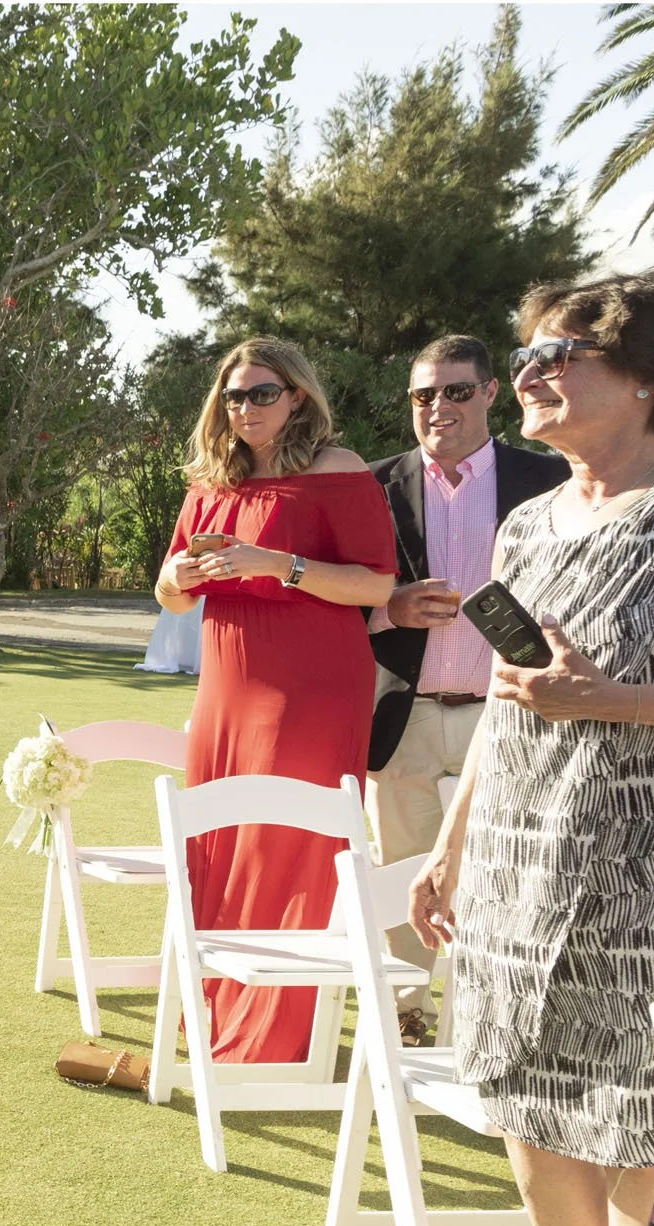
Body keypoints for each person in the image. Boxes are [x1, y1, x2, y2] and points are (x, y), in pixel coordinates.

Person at [409, 268, 654, 1226]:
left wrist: (611, 702)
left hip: (640, 868)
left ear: (646, 379)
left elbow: (582, 695)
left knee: (633, 1107)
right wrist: (450, 845)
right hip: (515, 848)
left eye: (564, 354)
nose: (532, 374)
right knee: (520, 1088)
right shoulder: (524, 520)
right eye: (527, 356)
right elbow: (514, 701)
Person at [155, 338, 395, 1063]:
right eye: (234, 395)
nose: (246, 407)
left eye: (263, 393)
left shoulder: (337, 472)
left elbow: (377, 585)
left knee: (287, 843)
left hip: (313, 687)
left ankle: (277, 1037)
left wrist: (277, 565)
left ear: (297, 396)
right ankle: (212, 1015)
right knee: (218, 841)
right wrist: (178, 572)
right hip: (226, 685)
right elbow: (170, 600)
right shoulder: (209, 481)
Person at [365, 334, 570, 1044]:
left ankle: (497, 1020)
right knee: (400, 876)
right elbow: (335, 598)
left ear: (489, 392)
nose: (438, 407)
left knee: (511, 874)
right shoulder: (373, 484)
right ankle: (404, 1019)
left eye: (456, 390)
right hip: (407, 717)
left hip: (512, 716)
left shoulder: (548, 479)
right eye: (424, 394)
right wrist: (386, 608)